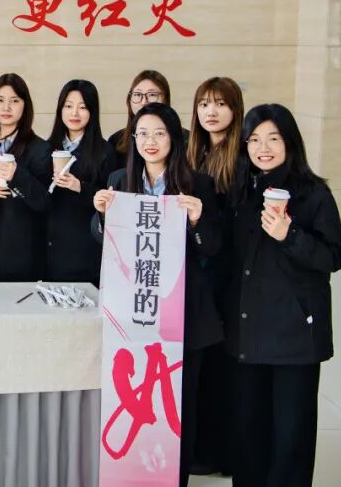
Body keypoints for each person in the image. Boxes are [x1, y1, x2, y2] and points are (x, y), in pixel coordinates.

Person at [94, 103, 222, 487]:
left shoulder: (198, 184)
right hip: (132, 318)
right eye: (143, 133)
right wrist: (101, 216)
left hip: (182, 317)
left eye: (160, 133)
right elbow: (101, 240)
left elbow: (214, 248)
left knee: (178, 408)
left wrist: (197, 221)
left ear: (174, 139)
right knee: (134, 400)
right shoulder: (119, 180)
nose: (150, 141)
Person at [225, 104, 341, 487]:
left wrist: (290, 234)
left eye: (273, 139)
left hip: (295, 335)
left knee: (291, 437)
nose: (263, 148)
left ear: (290, 142)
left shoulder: (314, 195)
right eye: (254, 140)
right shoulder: (240, 192)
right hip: (248, 333)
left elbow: (334, 256)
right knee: (249, 433)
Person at [186, 76, 245, 477]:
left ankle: (223, 453)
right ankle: (202, 449)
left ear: (235, 110)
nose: (212, 111)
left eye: (221, 104)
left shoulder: (241, 158)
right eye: (205, 104)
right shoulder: (193, 153)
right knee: (201, 369)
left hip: (227, 273)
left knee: (224, 367)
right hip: (198, 273)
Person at [0, 73, 51, 281]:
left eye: (14, 101)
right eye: (0, 100)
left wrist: (17, 175)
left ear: (25, 105)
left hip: (18, 254)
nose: (6, 107)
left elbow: (44, 202)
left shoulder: (40, 149)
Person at [45, 79, 115, 286]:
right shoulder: (46, 148)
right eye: (68, 106)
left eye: (82, 107)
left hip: (85, 251)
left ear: (92, 111)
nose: (74, 113)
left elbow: (112, 202)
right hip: (49, 249)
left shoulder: (105, 152)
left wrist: (80, 187)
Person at [108, 69, 178, 171]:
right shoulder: (117, 140)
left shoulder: (185, 139)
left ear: (166, 99)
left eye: (152, 95)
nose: (144, 101)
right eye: (137, 94)